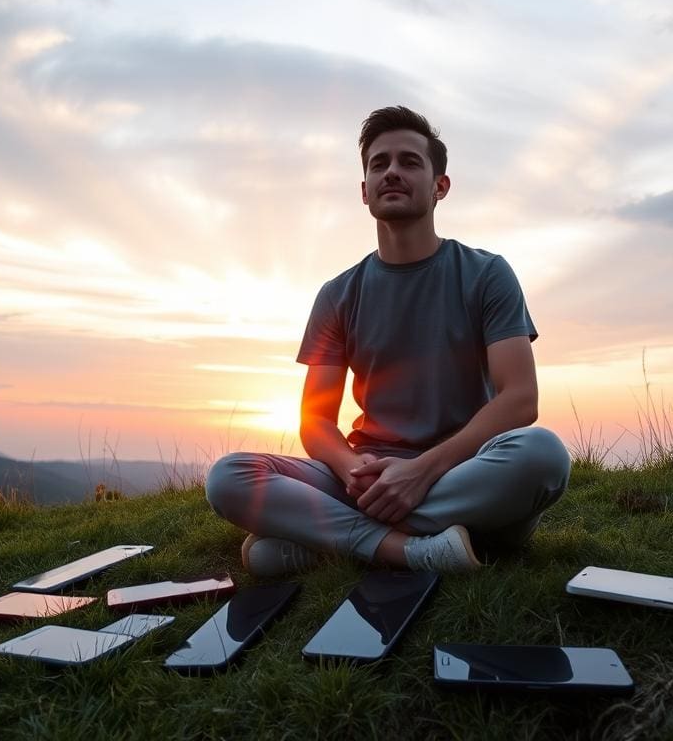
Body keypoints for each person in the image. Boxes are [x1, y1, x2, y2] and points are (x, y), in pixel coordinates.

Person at [206, 106, 570, 576]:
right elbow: (315, 420)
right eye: (379, 164)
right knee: (230, 477)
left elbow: (520, 399)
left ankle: (327, 541)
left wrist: (422, 472)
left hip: (463, 469)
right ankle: (412, 549)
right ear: (364, 191)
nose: (392, 172)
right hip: (367, 473)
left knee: (542, 455)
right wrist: (353, 471)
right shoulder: (338, 294)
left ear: (441, 186)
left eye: (409, 162)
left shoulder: (486, 274)